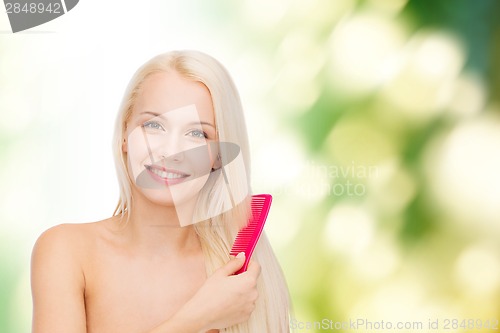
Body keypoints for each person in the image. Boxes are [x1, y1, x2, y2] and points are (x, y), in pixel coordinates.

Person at [31, 50, 291, 333]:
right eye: (154, 125)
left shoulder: (242, 277)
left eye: (198, 134)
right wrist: (198, 319)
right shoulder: (67, 251)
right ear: (124, 136)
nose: (170, 152)